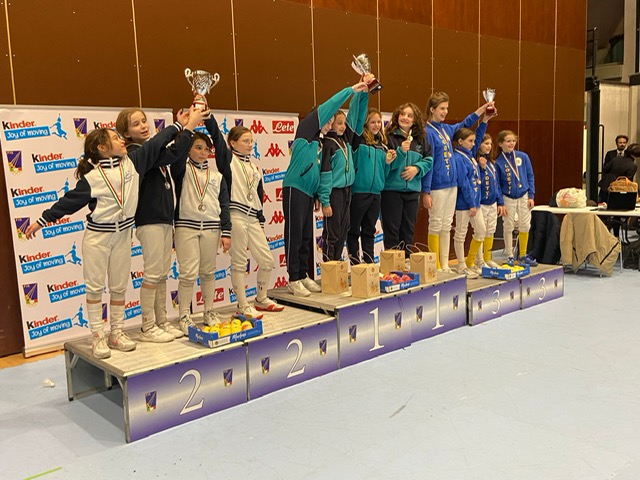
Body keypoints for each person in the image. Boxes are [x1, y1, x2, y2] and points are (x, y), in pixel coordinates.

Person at [24, 115, 194, 359]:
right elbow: (68, 202)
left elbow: (155, 144)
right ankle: (97, 336)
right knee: (95, 288)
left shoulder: (133, 162)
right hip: (98, 237)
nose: (122, 140)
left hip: (123, 235)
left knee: (119, 287)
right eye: (116, 138)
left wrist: (178, 126)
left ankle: (116, 332)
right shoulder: (93, 178)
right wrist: (42, 220)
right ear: (102, 148)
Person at [116, 108, 205, 342]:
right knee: (153, 273)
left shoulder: (152, 152)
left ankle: (161, 320)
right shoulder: (134, 154)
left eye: (144, 121)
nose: (144, 126)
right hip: (149, 220)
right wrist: (182, 127)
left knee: (162, 274)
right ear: (126, 133)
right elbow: (164, 148)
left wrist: (185, 128)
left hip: (164, 219)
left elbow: (173, 152)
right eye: (136, 124)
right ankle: (148, 326)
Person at [282, 81, 368, 297]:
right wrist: (351, 90)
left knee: (305, 236)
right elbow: (329, 105)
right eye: (328, 121)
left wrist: (317, 194)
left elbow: (319, 172)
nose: (330, 125)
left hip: (308, 193)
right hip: (295, 188)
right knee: (294, 234)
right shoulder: (305, 131)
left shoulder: (320, 143)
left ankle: (303, 274)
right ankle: (293, 279)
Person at [205, 113, 285, 318]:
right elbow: (216, 136)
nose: (250, 145)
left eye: (251, 141)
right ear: (232, 143)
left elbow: (258, 195)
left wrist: (261, 219)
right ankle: (242, 304)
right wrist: (208, 115)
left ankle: (261, 298)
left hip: (253, 217)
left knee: (267, 260)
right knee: (239, 262)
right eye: (246, 141)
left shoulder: (253, 167)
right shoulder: (228, 160)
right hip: (236, 214)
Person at [422, 92, 491, 272]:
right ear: (432, 109)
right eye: (442, 108)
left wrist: (481, 111)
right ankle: (435, 265)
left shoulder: (446, 129)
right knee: (435, 223)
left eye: (447, 108)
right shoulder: (428, 132)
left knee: (446, 225)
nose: (445, 112)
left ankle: (445, 264)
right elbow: (429, 162)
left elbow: (465, 124)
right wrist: (426, 191)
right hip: (437, 185)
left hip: (451, 185)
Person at [172, 132, 232, 334]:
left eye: (206, 149)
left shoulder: (217, 176)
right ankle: (184, 315)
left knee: (208, 272)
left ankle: (209, 311)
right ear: (188, 149)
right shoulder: (181, 170)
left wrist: (226, 231)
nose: (202, 152)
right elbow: (177, 157)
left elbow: (224, 205)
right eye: (198, 147)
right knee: (188, 273)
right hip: (186, 226)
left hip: (212, 227)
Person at [318, 86, 368, 261]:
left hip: (347, 191)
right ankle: (329, 265)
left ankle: (337, 263)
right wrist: (325, 201)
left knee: (343, 230)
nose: (343, 126)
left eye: (344, 123)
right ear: (330, 123)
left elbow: (355, 115)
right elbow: (325, 174)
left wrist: (361, 93)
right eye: (339, 123)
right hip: (334, 193)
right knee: (332, 232)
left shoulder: (345, 141)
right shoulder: (328, 145)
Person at [381, 102, 433, 259]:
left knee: (408, 230)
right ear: (397, 116)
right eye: (402, 114)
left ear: (415, 120)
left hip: (412, 192)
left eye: (410, 116)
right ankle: (392, 264)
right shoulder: (388, 138)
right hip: (391, 191)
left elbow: (429, 160)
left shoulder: (421, 139)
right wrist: (401, 152)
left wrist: (416, 169)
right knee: (392, 230)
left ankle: (406, 262)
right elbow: (386, 164)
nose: (405, 118)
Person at [348, 107, 397, 264]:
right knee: (353, 231)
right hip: (358, 192)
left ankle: (369, 264)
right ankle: (356, 265)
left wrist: (388, 162)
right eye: (372, 122)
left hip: (376, 194)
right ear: (365, 123)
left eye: (378, 122)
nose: (376, 125)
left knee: (369, 231)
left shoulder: (383, 146)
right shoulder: (358, 141)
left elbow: (385, 173)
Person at [451, 115, 493, 278]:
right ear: (460, 141)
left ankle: (472, 261)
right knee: (460, 234)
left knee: (481, 231)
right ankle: (461, 265)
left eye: (474, 141)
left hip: (475, 202)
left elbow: (480, 134)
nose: (474, 144)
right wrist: (471, 203)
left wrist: (485, 120)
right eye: (470, 141)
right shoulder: (458, 157)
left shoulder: (469, 154)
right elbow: (464, 183)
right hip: (464, 204)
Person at [494, 130, 537, 266]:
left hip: (524, 195)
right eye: (508, 141)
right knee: (508, 226)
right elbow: (497, 185)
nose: (511, 143)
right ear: (500, 143)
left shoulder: (523, 157)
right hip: (508, 197)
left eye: (513, 141)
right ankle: (509, 255)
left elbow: (530, 176)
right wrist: (501, 202)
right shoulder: (498, 162)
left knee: (525, 225)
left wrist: (531, 195)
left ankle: (523, 254)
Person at [475, 133, 506, 268]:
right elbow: (477, 182)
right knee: (480, 231)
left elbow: (496, 184)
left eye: (490, 144)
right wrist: (481, 169)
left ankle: (487, 258)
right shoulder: (476, 162)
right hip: (481, 202)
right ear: (479, 145)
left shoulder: (492, 163)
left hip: (493, 202)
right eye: (485, 143)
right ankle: (479, 260)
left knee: (490, 230)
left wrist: (500, 202)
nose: (489, 146)